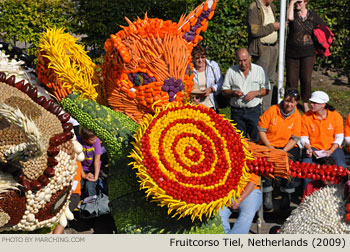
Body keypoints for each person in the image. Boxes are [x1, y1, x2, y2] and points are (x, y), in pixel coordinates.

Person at [258, 89, 302, 211]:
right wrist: (269, 146)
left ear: (296, 103)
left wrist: (283, 150)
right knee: (265, 163)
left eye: (292, 102)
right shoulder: (273, 110)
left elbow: (295, 138)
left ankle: (286, 194)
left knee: (290, 163)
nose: (289, 104)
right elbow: (261, 130)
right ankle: (267, 193)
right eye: (287, 101)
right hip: (269, 144)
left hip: (286, 146)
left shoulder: (297, 116)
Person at [221, 48, 270, 142]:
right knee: (238, 141)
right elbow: (224, 90)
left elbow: (267, 90)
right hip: (237, 111)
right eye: (240, 61)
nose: (243, 64)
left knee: (256, 140)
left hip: (254, 110)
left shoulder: (259, 70)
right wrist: (233, 93)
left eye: (245, 60)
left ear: (250, 58)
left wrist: (256, 93)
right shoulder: (231, 71)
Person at [285, 0, 327, 112]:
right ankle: (291, 102)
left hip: (308, 52)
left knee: (306, 79)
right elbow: (289, 19)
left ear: (305, 2)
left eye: (299, 1)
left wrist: (320, 38)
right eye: (296, 1)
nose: (298, 3)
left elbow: (324, 28)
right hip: (292, 53)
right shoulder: (292, 13)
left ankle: (305, 102)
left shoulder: (313, 15)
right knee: (291, 79)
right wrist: (292, 3)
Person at [301, 91, 346, 188]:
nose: (311, 105)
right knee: (307, 169)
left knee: (341, 167)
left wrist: (331, 150)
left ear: (323, 104)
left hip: (332, 148)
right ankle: (307, 195)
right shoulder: (306, 117)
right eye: (311, 102)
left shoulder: (335, 116)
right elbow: (304, 137)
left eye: (314, 103)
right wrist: (308, 148)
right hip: (314, 149)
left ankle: (341, 193)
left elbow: (339, 137)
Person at [247, 0, 280, 112]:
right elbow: (255, 31)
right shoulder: (254, 8)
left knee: (270, 80)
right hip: (261, 49)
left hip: (273, 47)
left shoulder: (271, 7)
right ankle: (257, 109)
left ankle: (266, 109)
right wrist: (273, 27)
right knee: (260, 80)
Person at [191, 44, 224, 112]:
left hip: (211, 105)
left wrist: (211, 89)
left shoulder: (212, 66)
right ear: (193, 58)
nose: (200, 60)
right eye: (197, 58)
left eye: (203, 57)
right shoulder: (190, 69)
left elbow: (220, 83)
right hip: (196, 105)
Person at [52, 161, 83, 234]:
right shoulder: (59, 159)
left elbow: (75, 183)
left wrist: (63, 200)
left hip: (72, 195)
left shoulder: (76, 162)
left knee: (62, 217)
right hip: (59, 195)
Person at [78, 127, 102, 198]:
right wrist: (84, 175)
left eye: (95, 138)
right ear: (84, 139)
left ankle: (91, 204)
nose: (95, 141)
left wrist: (95, 177)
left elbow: (97, 161)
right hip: (81, 168)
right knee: (79, 185)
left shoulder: (96, 141)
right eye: (92, 140)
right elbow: (77, 161)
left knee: (89, 187)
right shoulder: (78, 142)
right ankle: (78, 201)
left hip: (93, 169)